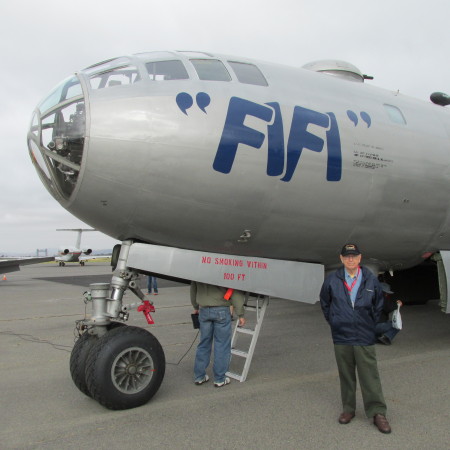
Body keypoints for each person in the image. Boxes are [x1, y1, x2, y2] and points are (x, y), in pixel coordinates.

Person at [319, 243, 392, 434]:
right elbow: (325, 303)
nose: (350, 259)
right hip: (342, 335)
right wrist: (335, 321)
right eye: (347, 256)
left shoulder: (370, 279)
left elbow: (378, 304)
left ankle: (377, 412)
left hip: (363, 335)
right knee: (346, 375)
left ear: (360, 258)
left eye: (354, 256)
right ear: (341, 259)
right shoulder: (332, 280)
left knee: (370, 375)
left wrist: (368, 324)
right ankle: (348, 409)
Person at [191, 281, 246, 387]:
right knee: (222, 344)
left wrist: (196, 306)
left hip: (203, 310)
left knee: (204, 343)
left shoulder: (198, 268)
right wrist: (240, 314)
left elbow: (193, 290)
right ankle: (220, 378)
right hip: (221, 309)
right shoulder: (224, 268)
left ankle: (199, 376)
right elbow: (234, 291)